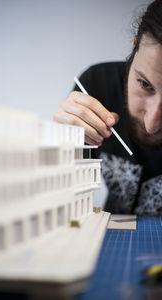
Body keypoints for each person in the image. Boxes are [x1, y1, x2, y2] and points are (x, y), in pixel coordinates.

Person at [53, 0, 162, 216]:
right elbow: (62, 197)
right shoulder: (96, 84)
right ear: (134, 47)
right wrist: (61, 143)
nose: (151, 124)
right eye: (145, 84)